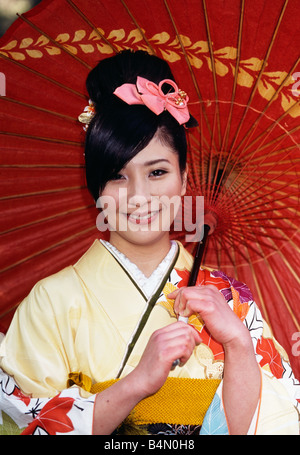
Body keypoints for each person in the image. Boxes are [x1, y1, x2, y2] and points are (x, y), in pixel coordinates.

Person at [0, 50, 299, 436]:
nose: (139, 196)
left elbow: (278, 426)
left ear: (184, 178)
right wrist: (136, 385)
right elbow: (18, 424)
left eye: (157, 172)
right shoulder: (51, 302)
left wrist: (240, 344)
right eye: (118, 177)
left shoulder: (228, 303)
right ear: (96, 189)